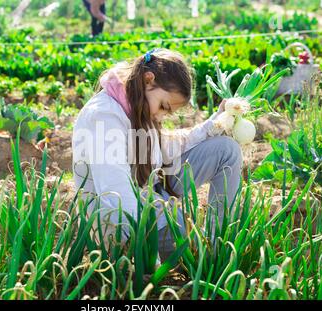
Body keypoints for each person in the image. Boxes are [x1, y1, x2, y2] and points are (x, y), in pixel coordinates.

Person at [72, 49, 243, 261]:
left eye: (166, 112)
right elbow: (115, 192)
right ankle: (143, 253)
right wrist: (149, 252)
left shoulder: (137, 103)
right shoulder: (104, 116)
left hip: (149, 195)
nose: (160, 115)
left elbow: (166, 146)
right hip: (118, 221)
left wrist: (216, 123)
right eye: (163, 106)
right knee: (186, 250)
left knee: (226, 151)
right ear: (148, 79)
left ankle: (219, 247)